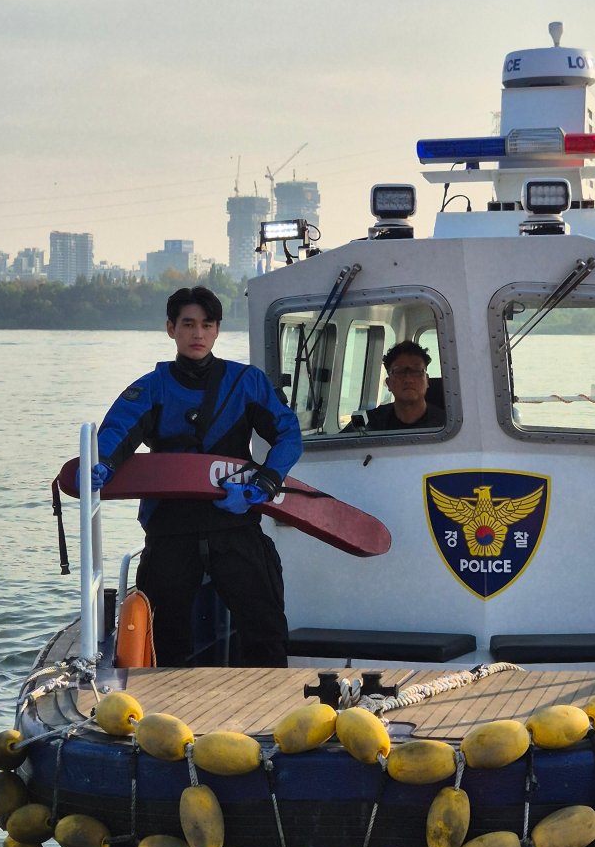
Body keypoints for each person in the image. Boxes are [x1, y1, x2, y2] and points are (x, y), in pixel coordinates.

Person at [83, 286, 302, 668]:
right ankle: (167, 703)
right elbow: (116, 432)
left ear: (217, 330)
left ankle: (270, 699)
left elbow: (289, 435)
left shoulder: (246, 382)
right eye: (187, 324)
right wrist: (102, 464)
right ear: (171, 329)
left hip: (235, 524)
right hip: (171, 529)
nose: (197, 333)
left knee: (266, 629)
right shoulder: (152, 387)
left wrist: (264, 484)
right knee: (165, 640)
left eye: (206, 324)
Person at [346, 340, 445, 431]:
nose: (408, 380)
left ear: (427, 380)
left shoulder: (446, 424)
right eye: (399, 372)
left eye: (416, 371)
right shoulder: (368, 423)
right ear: (388, 383)